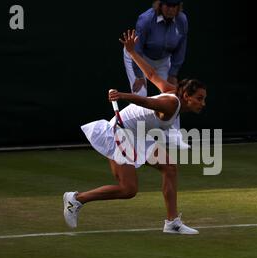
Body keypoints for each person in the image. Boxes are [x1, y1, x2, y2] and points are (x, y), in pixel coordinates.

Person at [63, 29, 207, 235]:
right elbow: (146, 101)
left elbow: (151, 74)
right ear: (186, 95)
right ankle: (76, 199)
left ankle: (172, 222)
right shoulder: (170, 103)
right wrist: (122, 95)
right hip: (120, 133)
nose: (203, 103)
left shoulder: (170, 91)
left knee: (169, 167)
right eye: (199, 98)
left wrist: (131, 52)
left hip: (138, 135)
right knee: (128, 189)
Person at [123, 0, 189, 149]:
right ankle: (138, 137)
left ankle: (173, 136)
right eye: (167, 5)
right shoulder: (146, 19)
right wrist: (139, 75)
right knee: (141, 93)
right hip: (138, 57)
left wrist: (174, 72)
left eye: (174, 6)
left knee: (174, 94)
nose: (171, 9)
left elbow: (181, 47)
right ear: (160, 5)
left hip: (163, 60)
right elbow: (137, 49)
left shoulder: (182, 20)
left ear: (179, 7)